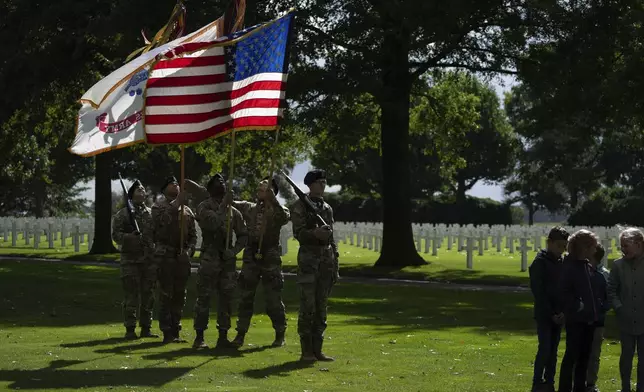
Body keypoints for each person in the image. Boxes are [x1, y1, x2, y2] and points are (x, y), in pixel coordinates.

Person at [229, 177, 291, 348]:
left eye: (264, 188)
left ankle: (280, 334)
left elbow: (283, 217)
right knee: (246, 297)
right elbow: (232, 203)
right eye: (259, 187)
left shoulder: (280, 209)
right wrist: (227, 196)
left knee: (273, 298)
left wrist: (274, 200)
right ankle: (240, 334)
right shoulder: (250, 208)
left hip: (270, 256)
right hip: (251, 256)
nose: (259, 189)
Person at [192, 174, 248, 349]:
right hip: (209, 258)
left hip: (227, 261)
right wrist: (224, 205)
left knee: (226, 299)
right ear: (209, 188)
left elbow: (243, 235)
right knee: (204, 298)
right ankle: (199, 337)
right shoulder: (203, 206)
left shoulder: (234, 212)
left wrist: (233, 251)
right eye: (218, 182)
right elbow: (212, 223)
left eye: (223, 182)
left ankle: (223, 336)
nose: (222, 184)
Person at [290, 169, 339, 362]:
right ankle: (306, 351)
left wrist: (335, 261)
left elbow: (332, 237)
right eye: (319, 182)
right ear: (310, 184)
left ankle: (318, 349)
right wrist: (314, 234)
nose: (323, 185)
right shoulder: (300, 206)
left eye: (325, 182)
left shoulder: (327, 208)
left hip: (326, 261)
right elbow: (298, 233)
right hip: (309, 260)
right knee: (308, 306)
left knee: (321, 307)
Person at [147, 176, 197, 344]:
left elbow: (193, 235)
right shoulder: (158, 207)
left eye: (177, 183)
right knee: (166, 294)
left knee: (179, 295)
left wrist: (189, 251)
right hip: (165, 257)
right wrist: (176, 204)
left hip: (181, 258)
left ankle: (176, 329)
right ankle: (167, 331)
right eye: (172, 183)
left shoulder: (187, 210)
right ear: (164, 188)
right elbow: (161, 224)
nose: (175, 185)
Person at [558, 229, 605, 392]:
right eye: (593, 246)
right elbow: (564, 292)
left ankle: (579, 387)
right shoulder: (570, 266)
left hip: (589, 319)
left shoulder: (586, 266)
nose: (595, 250)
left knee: (584, 358)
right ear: (585, 248)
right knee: (572, 356)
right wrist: (578, 305)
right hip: (576, 320)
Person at [111, 180, 158, 340]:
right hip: (130, 261)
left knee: (148, 295)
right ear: (131, 194)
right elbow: (115, 235)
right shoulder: (123, 214)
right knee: (131, 296)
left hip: (148, 261)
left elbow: (157, 235)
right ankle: (130, 329)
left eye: (143, 189)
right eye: (138, 189)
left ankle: (146, 328)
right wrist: (129, 237)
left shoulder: (151, 214)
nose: (142, 192)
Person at [529, 226, 570, 392]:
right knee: (545, 348)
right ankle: (537, 381)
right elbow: (539, 292)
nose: (562, 250)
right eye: (559, 245)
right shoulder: (539, 263)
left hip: (559, 313)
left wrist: (562, 312)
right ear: (549, 242)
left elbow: (566, 289)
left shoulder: (563, 262)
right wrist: (552, 313)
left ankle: (550, 381)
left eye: (564, 246)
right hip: (545, 314)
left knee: (554, 350)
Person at [608, 227, 644, 392]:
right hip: (626, 319)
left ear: (638, 244)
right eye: (621, 246)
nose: (623, 249)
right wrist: (619, 307)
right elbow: (611, 290)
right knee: (626, 356)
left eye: (626, 245)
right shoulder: (617, 266)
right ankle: (625, 387)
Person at [586, 243, 611, 392]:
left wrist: (602, 308)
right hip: (582, 319)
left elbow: (609, 296)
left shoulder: (605, 275)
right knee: (581, 352)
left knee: (594, 353)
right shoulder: (582, 271)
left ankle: (590, 383)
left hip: (598, 320)